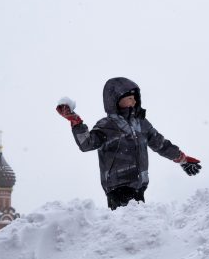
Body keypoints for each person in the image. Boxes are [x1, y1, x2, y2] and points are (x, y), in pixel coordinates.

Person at [56, 77, 201, 210]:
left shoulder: (141, 124)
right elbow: (87, 144)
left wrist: (182, 159)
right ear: (115, 100)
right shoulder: (107, 125)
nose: (134, 102)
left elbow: (161, 144)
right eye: (130, 98)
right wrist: (76, 122)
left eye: (135, 98)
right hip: (117, 188)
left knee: (138, 228)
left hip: (139, 185)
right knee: (126, 228)